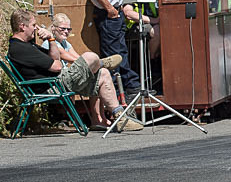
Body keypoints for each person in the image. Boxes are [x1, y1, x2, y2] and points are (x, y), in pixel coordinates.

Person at [7, 9, 140, 131]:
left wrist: (50, 39)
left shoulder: (28, 45)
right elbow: (57, 66)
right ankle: (101, 63)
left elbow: (55, 57)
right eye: (33, 25)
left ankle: (121, 117)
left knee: (103, 73)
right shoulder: (20, 49)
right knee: (90, 56)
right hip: (54, 84)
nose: (36, 28)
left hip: (58, 81)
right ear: (22, 26)